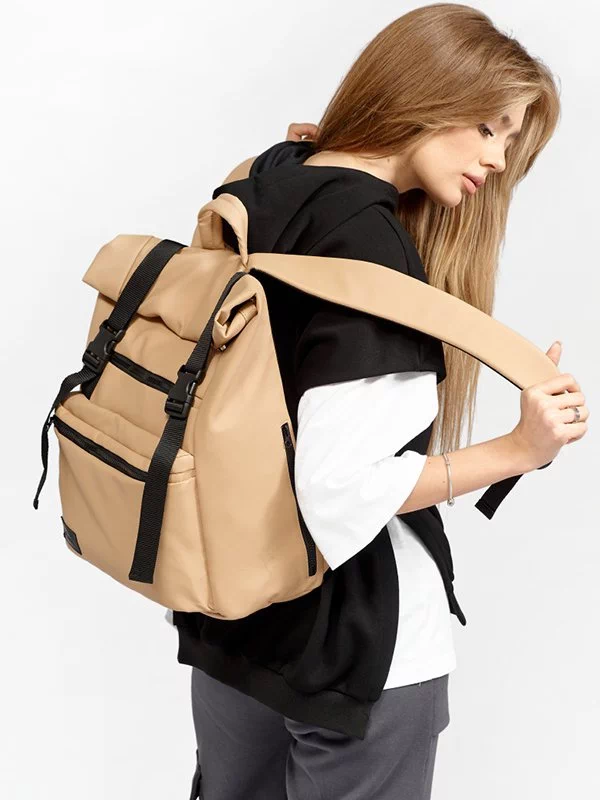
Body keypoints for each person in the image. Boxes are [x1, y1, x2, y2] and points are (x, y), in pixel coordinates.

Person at [169, 5, 589, 799]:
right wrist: (519, 450)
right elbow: (340, 491)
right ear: (426, 91)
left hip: (234, 613)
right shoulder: (371, 248)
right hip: (362, 652)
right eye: (489, 127)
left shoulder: (267, 177)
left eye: (510, 141)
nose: (498, 158)